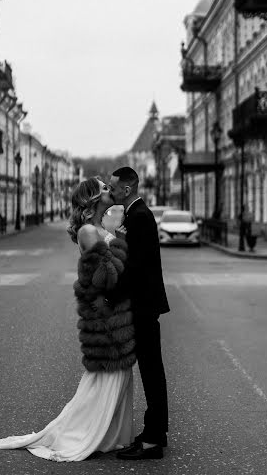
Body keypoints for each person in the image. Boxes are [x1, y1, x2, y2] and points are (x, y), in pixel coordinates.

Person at [0, 177, 136, 462]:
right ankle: (86, 433)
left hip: (113, 311)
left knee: (115, 375)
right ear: (92, 199)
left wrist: (116, 238)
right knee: (107, 374)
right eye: (104, 188)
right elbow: (105, 276)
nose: (110, 190)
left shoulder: (98, 228)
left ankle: (106, 434)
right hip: (105, 315)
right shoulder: (89, 232)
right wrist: (121, 242)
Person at [107, 166, 170, 460]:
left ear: (127, 189)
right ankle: (153, 433)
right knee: (150, 370)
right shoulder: (136, 214)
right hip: (143, 305)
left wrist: (112, 295)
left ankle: (153, 441)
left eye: (113, 187)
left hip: (143, 306)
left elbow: (135, 269)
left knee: (152, 371)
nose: (111, 192)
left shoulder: (140, 217)